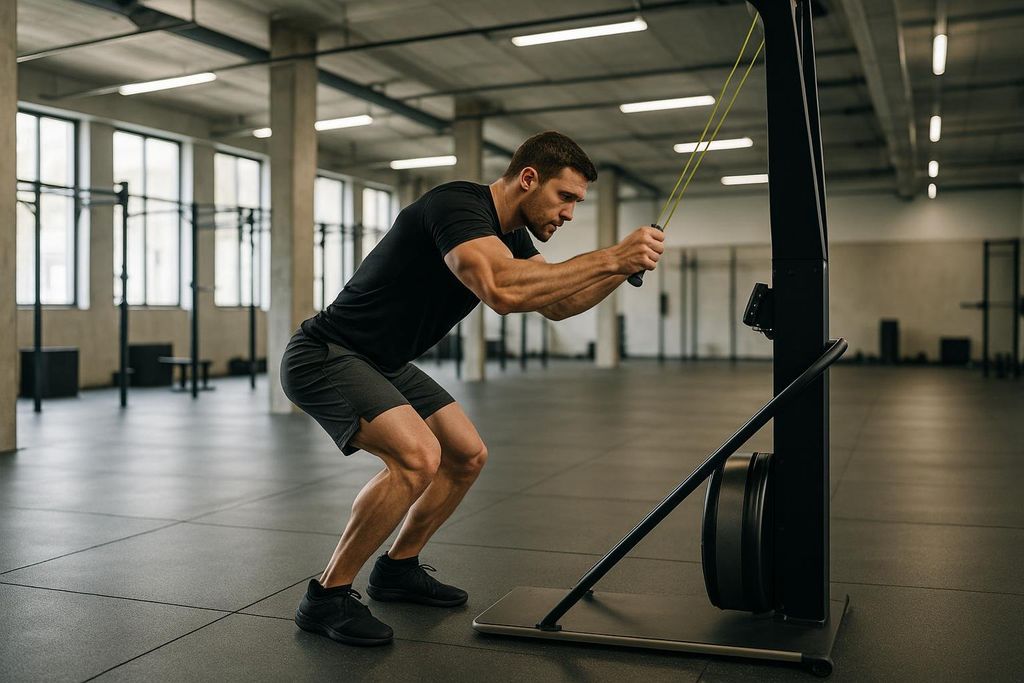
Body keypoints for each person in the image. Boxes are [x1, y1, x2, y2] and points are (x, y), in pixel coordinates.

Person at [281, 130, 665, 646]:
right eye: (565, 197)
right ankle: (326, 596)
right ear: (528, 178)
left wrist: (622, 268)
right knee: (418, 458)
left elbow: (556, 302)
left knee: (465, 454)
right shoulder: (457, 206)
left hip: (383, 361)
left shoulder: (510, 234)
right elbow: (503, 290)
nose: (569, 213)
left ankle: (397, 569)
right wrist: (612, 256)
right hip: (327, 353)